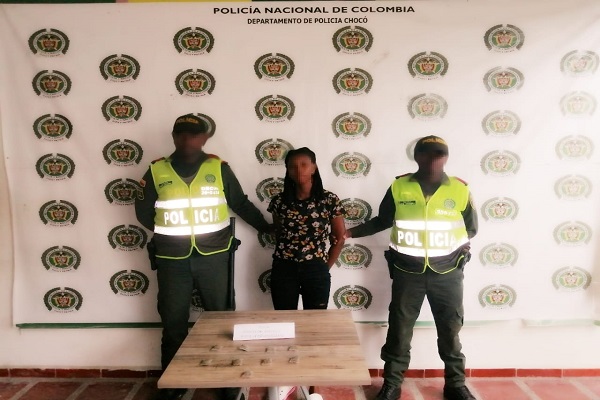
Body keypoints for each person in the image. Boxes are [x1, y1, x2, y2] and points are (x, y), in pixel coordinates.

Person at [135, 114, 272, 400]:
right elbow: (144, 214)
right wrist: (173, 234)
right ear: (174, 136)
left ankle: (227, 382)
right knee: (173, 322)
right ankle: (174, 384)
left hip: (214, 256)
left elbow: (239, 203)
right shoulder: (156, 170)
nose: (188, 139)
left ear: (204, 138)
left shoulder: (218, 168)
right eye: (182, 133)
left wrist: (266, 228)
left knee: (222, 321)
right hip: (172, 259)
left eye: (194, 134)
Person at [345, 135, 479, 400]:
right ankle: (392, 384)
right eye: (427, 153)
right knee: (399, 330)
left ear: (446, 157)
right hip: (408, 273)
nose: (433, 159)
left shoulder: (460, 189)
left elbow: (471, 228)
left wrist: (455, 250)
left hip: (448, 273)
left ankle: (455, 384)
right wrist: (349, 233)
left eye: (439, 154)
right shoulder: (399, 187)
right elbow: (382, 220)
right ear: (417, 156)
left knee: (450, 330)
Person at [268, 147, 346, 310]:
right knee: (284, 318)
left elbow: (339, 239)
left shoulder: (329, 200)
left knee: (315, 320)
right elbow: (279, 233)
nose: (298, 170)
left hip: (316, 268)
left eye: (304, 165)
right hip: (284, 268)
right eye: (292, 166)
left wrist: (323, 268)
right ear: (288, 171)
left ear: (313, 168)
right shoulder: (279, 201)